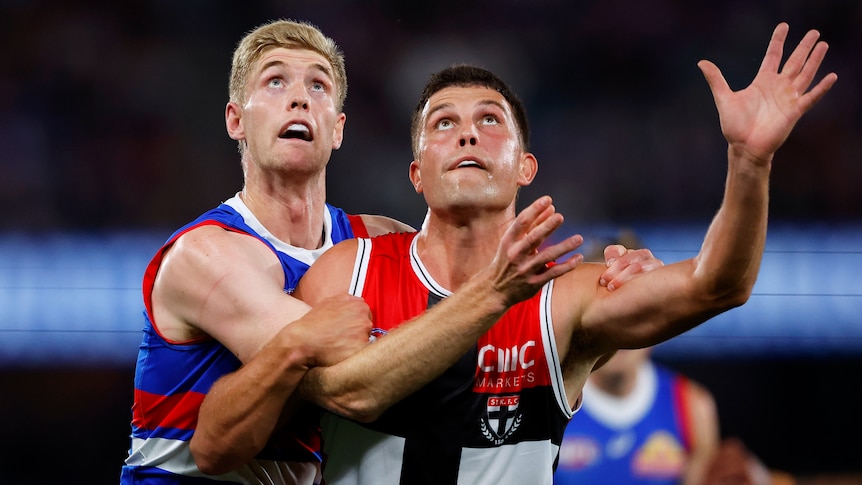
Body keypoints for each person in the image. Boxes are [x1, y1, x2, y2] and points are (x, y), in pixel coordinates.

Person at [290, 22, 836, 484]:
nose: (467, 135)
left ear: (525, 167)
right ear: (417, 174)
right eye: (443, 123)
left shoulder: (563, 298)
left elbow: (718, 285)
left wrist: (749, 162)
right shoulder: (346, 272)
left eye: (489, 120)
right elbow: (346, 396)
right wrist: (492, 295)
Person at [120, 19, 654, 484]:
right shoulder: (207, 255)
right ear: (236, 120)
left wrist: (605, 292)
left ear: (339, 129)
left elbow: (475, 300)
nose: (300, 97)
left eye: (318, 85)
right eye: (276, 81)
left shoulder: (374, 244)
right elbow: (359, 384)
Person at [553, 232, 719, 485]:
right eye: (608, 305)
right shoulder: (545, 403)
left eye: (634, 306)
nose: (621, 324)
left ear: (657, 315)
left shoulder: (692, 407)